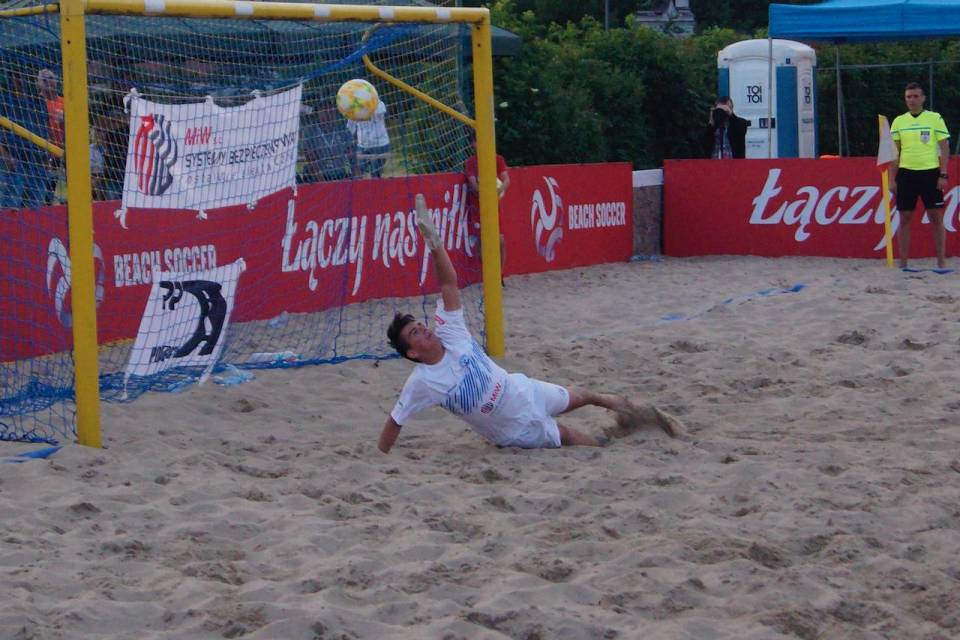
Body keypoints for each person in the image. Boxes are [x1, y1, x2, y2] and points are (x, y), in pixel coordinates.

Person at [377, 195, 684, 454]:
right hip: (512, 428)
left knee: (585, 395)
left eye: (420, 325)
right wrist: (382, 455)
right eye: (415, 333)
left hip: (524, 389)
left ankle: (638, 414)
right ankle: (607, 447)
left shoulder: (450, 331)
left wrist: (434, 244)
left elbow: (448, 283)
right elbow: (395, 421)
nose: (424, 329)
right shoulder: (422, 382)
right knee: (570, 437)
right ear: (412, 353)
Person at [889, 82, 951, 269]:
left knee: (935, 217)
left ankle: (941, 261)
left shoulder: (934, 118)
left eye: (916, 96)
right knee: (905, 217)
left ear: (923, 98)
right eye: (909, 97)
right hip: (906, 174)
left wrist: (943, 174)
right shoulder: (899, 121)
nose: (912, 100)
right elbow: (894, 153)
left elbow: (944, 148)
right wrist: (892, 178)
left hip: (930, 173)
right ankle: (903, 262)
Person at [463, 137, 510, 275]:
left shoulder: (497, 159)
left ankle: (499, 274)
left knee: (500, 240)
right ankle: (488, 272)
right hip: (478, 207)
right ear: (472, 144)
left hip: (494, 207)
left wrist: (499, 190)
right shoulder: (471, 162)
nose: (479, 143)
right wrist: (485, 194)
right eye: (476, 141)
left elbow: (506, 180)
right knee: (481, 241)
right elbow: (473, 183)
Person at [303, 107, 354, 182]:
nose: (328, 113)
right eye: (324, 110)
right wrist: (323, 182)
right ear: (318, 113)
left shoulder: (343, 130)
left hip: (340, 176)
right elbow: (311, 159)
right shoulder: (310, 131)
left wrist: (357, 178)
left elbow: (352, 157)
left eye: (331, 110)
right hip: (318, 178)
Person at [347, 96, 389, 178]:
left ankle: (376, 183)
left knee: (375, 171)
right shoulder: (354, 109)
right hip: (362, 146)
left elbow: (380, 111)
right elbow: (350, 128)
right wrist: (351, 144)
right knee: (358, 171)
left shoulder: (379, 104)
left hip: (379, 145)